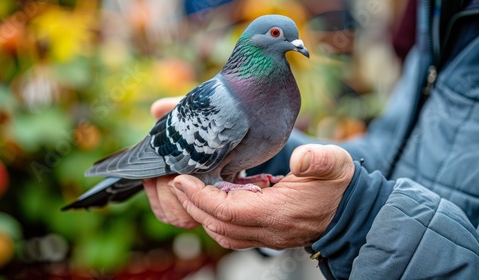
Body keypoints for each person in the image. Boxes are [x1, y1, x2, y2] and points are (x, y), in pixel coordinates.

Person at [143, 0, 479, 278]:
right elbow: (400, 153)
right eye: (278, 34)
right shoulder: (441, 8)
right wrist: (286, 164)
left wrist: (352, 212)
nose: (296, 44)